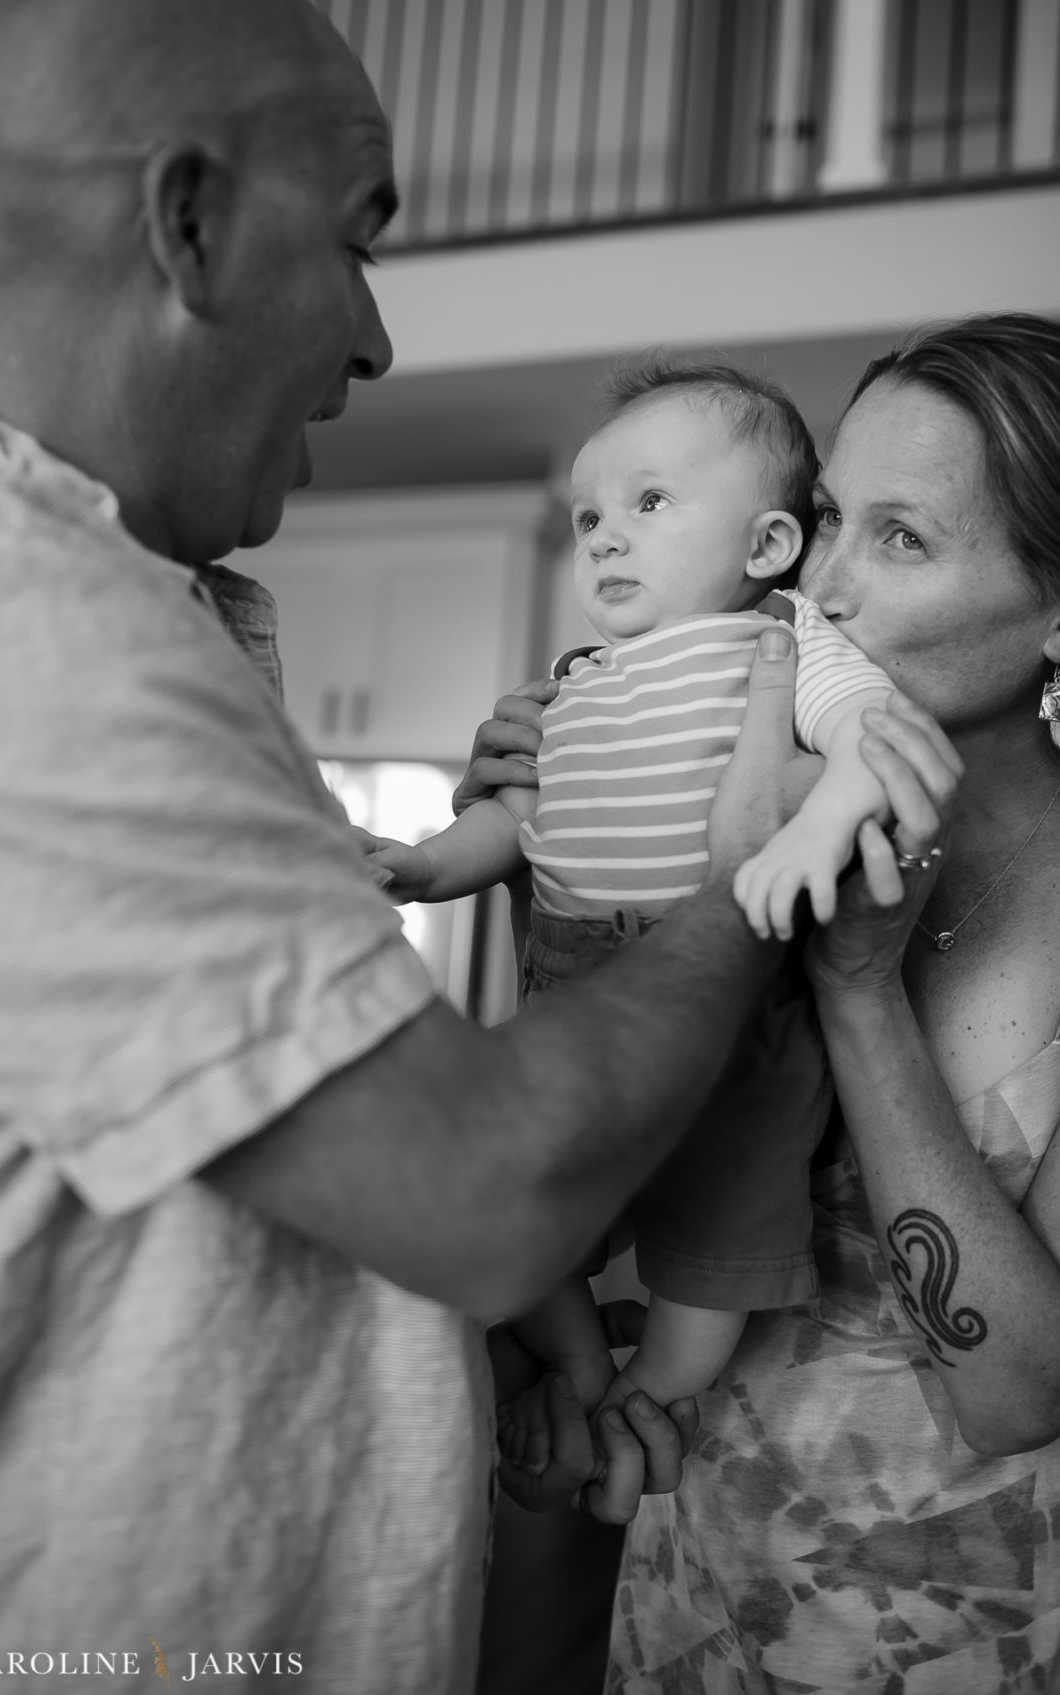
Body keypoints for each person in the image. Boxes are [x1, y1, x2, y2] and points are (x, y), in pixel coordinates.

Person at [0, 2, 943, 1690]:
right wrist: (735, 884)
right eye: (358, 239)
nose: (379, 337)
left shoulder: (137, 607)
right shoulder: (8, 623)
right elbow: (479, 1189)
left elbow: (258, 1143)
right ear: (188, 223)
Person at [465, 312, 1060, 1693]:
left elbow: (1018, 1387)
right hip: (683, 1594)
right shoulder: (750, 804)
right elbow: (638, 1159)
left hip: (954, 1642)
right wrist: (553, 857)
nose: (819, 583)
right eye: (829, 516)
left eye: (901, 539)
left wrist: (854, 988)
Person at [362, 362, 896, 1473]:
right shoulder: (576, 680)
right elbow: (516, 820)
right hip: (574, 989)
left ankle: (649, 1390)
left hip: (727, 1002)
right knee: (514, 1206)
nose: (605, 536)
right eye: (589, 516)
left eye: (649, 503)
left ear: (766, 546)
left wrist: (834, 807)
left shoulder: (781, 643)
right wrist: (421, 863)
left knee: (716, 1232)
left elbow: (864, 726)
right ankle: (575, 1363)